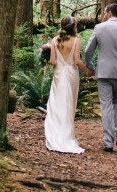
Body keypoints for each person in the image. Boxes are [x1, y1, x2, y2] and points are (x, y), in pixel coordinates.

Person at [84, 3, 117, 152]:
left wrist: (91, 66)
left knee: (105, 106)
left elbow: (88, 51)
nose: (104, 15)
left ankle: (108, 142)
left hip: (103, 73)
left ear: (110, 12)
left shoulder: (99, 28)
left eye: (105, 12)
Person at [44, 15, 93, 153]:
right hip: (72, 74)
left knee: (57, 103)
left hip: (59, 74)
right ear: (74, 26)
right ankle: (67, 136)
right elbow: (77, 61)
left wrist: (45, 57)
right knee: (69, 104)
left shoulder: (55, 40)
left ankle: (56, 134)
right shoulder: (76, 40)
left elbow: (53, 61)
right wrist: (87, 71)